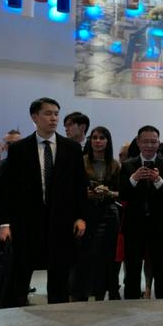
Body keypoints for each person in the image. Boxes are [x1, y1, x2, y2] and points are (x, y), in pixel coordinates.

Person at [0, 97, 87, 306]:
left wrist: (80, 217)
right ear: (34, 117)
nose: (53, 118)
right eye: (48, 113)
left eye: (56, 114)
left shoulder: (72, 149)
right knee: (20, 274)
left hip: (61, 221)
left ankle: (58, 314)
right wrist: (5, 223)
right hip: (26, 222)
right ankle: (16, 313)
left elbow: (79, 186)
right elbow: (7, 190)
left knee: (59, 276)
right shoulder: (19, 149)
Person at [119, 125, 163, 300]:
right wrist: (134, 179)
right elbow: (122, 194)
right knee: (132, 268)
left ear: (159, 143)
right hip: (134, 225)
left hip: (159, 225)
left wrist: (158, 180)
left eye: (153, 141)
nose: (150, 145)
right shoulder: (128, 165)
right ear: (138, 142)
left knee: (161, 268)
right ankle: (130, 303)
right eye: (146, 141)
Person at [72, 126, 121, 301]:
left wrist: (108, 192)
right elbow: (72, 189)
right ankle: (81, 295)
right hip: (87, 214)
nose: (98, 141)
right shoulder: (81, 161)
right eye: (94, 137)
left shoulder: (114, 164)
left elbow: (121, 192)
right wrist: (85, 193)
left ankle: (101, 294)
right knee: (85, 256)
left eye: (102, 138)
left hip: (109, 213)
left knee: (107, 256)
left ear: (108, 141)